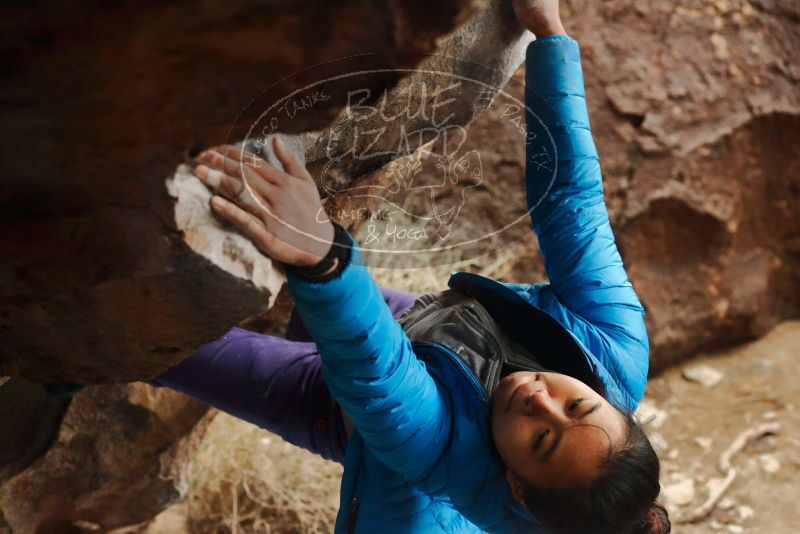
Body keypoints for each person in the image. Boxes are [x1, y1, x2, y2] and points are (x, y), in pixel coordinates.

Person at [146, 1, 671, 532]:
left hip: (358, 417)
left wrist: (323, 253)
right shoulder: (614, 344)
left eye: (542, 439)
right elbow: (572, 207)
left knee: (159, 341)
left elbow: (378, 371)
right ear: (615, 406)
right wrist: (550, 36)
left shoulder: (442, 455)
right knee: (321, 301)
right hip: (441, 335)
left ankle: (73, 365)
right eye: (578, 406)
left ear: (515, 485)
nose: (540, 399)